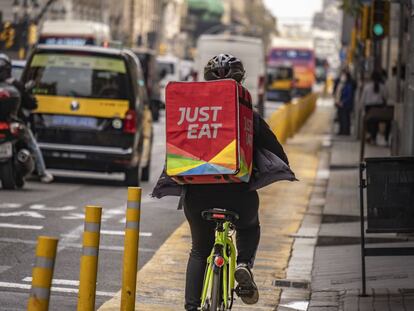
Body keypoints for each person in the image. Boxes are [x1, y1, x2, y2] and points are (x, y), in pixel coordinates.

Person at [152, 53, 295, 311]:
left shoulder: (193, 113)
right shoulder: (250, 116)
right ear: (240, 83)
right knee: (250, 227)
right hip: (239, 197)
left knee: (199, 250)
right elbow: (278, 154)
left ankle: (192, 306)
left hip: (197, 198)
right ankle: (243, 265)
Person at [0, 53, 53, 183]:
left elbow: (29, 103)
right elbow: (30, 104)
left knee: (30, 142)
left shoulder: (16, 86)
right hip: (14, 121)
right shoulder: (16, 85)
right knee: (32, 144)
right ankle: (42, 173)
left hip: (13, 123)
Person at [359, 71, 388, 144]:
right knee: (376, 122)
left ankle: (371, 136)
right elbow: (386, 96)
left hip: (368, 108)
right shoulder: (382, 86)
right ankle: (373, 137)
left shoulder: (367, 87)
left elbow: (363, 99)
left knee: (370, 122)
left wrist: (361, 108)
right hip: (378, 108)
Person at [334, 70, 355, 135]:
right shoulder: (341, 84)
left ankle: (345, 131)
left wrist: (342, 102)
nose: (342, 77)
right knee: (341, 118)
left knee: (345, 118)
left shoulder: (348, 85)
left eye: (343, 75)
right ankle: (341, 130)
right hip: (340, 104)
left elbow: (349, 96)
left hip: (345, 105)